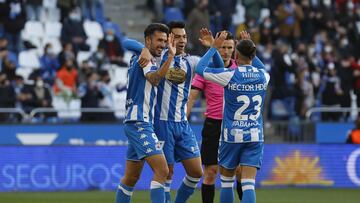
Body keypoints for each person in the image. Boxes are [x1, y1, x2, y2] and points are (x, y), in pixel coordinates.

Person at [123, 21, 227, 203]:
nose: (182, 40)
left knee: (196, 172)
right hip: (161, 123)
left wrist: (213, 48)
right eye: (177, 37)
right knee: (166, 172)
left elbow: (219, 68)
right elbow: (126, 42)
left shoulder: (192, 61)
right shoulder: (157, 57)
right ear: (168, 39)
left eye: (184, 37)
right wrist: (143, 49)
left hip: (182, 124)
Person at [187, 29, 267, 203]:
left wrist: (213, 48)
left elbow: (200, 68)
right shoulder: (263, 76)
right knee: (248, 184)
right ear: (253, 55)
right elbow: (260, 66)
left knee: (227, 181)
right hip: (255, 135)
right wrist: (250, 47)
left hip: (231, 135)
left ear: (235, 55)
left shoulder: (230, 75)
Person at [115, 23, 176, 203]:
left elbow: (127, 43)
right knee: (163, 171)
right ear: (148, 40)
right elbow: (155, 79)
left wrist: (143, 49)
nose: (163, 44)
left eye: (165, 41)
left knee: (131, 178)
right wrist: (170, 57)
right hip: (138, 122)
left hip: (140, 122)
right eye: (159, 40)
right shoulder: (145, 59)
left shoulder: (144, 57)